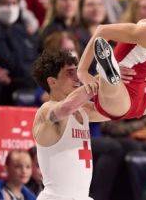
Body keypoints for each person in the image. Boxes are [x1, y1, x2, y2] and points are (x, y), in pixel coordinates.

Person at [31, 51, 114, 200]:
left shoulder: (84, 110)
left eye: (77, 71)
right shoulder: (46, 110)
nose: (78, 77)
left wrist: (123, 79)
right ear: (52, 81)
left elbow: (117, 111)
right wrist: (100, 78)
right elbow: (65, 108)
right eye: (70, 73)